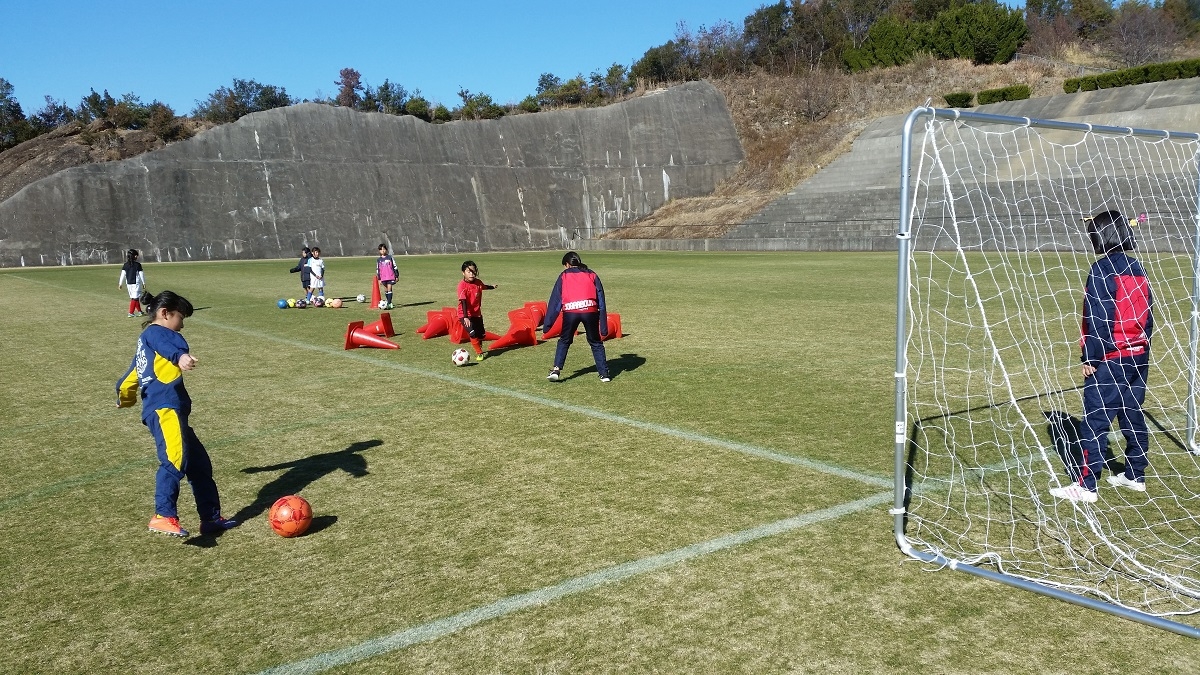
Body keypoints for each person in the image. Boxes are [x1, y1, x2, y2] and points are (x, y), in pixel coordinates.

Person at [1050, 210, 1154, 504]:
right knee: (1131, 412)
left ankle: (1086, 486)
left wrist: (1091, 358)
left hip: (1110, 358)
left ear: (1100, 236)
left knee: (1094, 420)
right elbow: (1149, 316)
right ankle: (1135, 474)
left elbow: (1098, 319)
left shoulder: (1101, 270)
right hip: (1138, 356)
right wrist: (1143, 346)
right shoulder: (1138, 268)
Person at [116, 290, 238, 537]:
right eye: (180, 317)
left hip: (169, 411)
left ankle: (210, 518)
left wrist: (125, 399)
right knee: (174, 459)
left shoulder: (146, 345)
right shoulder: (157, 333)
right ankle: (163, 515)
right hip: (165, 409)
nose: (181, 325)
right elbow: (167, 343)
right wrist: (180, 355)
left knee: (199, 464)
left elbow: (129, 378)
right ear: (164, 314)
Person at [543, 251, 610, 382]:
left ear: (567, 264)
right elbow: (601, 298)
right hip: (590, 311)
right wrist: (603, 326)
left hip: (570, 312)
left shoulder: (564, 276)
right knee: (596, 342)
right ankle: (604, 374)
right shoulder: (592, 274)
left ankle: (556, 369)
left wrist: (548, 324)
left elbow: (555, 301)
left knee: (564, 341)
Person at [456, 260, 497, 361]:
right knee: (472, 333)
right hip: (464, 313)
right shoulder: (462, 285)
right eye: (468, 272)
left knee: (481, 335)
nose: (471, 274)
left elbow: (484, 287)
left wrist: (492, 286)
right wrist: (465, 317)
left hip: (477, 313)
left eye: (473, 272)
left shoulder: (478, 283)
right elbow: (463, 301)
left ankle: (479, 347)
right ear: (463, 273)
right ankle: (479, 353)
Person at [118, 249, 146, 317]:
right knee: (135, 298)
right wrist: (144, 282)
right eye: (136, 255)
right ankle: (131, 312)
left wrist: (120, 283)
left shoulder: (125, 265)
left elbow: (122, 274)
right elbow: (141, 274)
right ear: (134, 256)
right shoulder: (138, 265)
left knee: (134, 297)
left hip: (128, 283)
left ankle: (140, 311)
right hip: (136, 283)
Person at [377, 244, 399, 310]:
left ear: (386, 250)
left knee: (389, 289)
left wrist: (397, 275)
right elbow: (378, 269)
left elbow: (395, 266)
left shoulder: (390, 257)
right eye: (381, 249)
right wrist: (379, 278)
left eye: (384, 249)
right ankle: (388, 302)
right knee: (386, 290)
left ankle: (389, 303)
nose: (383, 251)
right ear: (379, 251)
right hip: (383, 277)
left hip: (390, 276)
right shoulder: (379, 260)